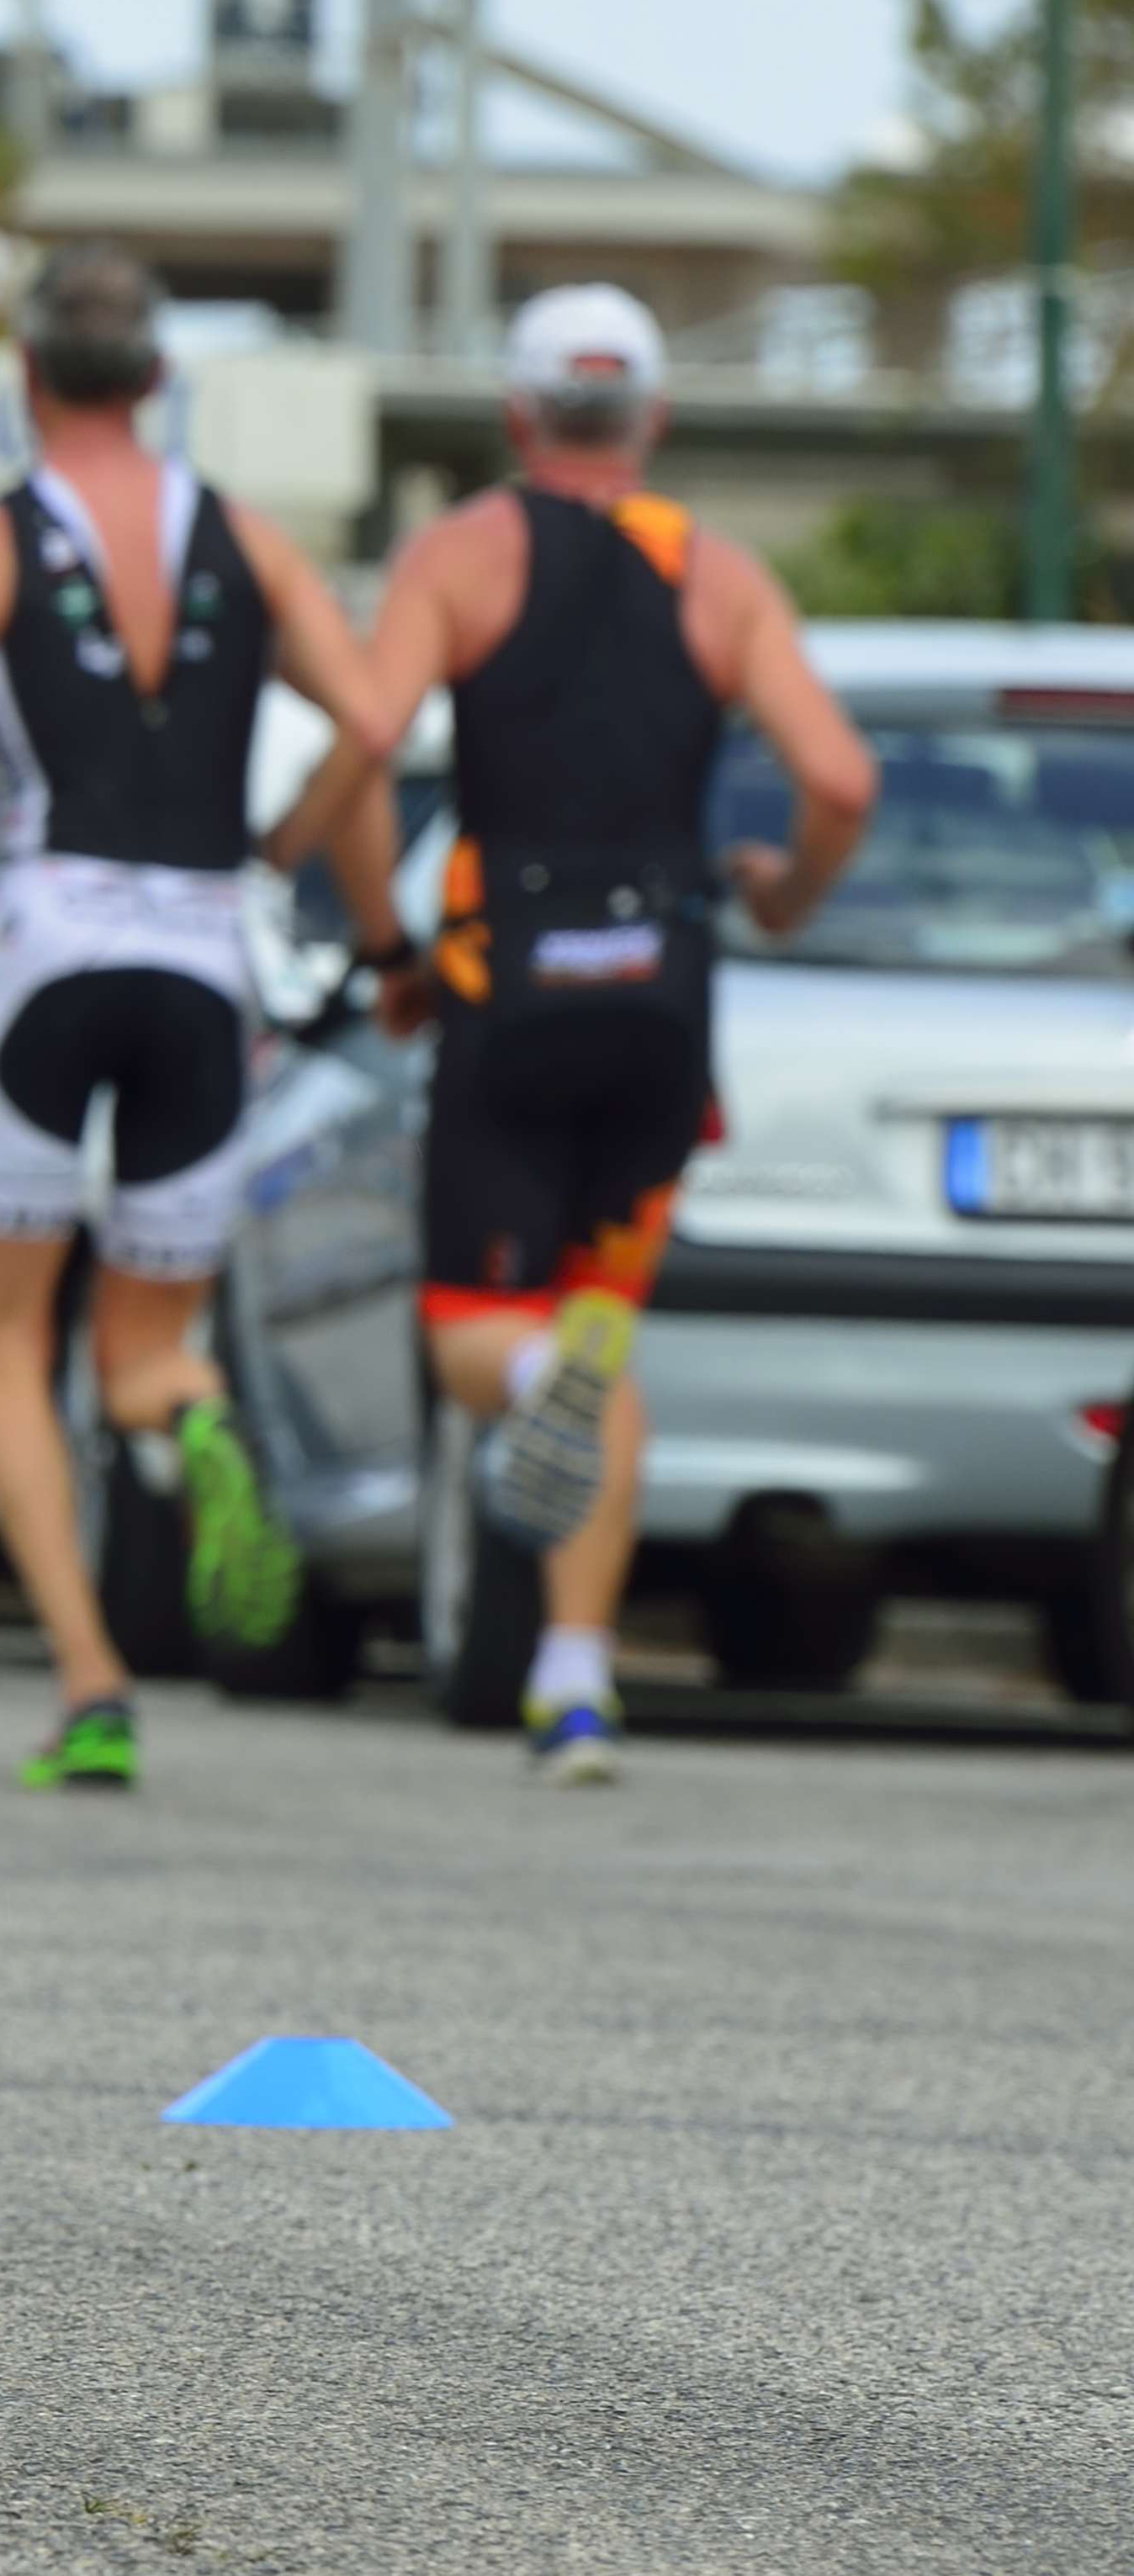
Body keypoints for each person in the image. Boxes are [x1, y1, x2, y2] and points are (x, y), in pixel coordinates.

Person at [284, 283, 876, 1780]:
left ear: (515, 416)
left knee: (487, 1336)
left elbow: (362, 745)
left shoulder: (460, 555)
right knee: (599, 1336)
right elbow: (842, 782)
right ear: (654, 419)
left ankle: (538, 1410)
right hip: (665, 998)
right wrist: (786, 898)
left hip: (512, 991)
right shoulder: (722, 580)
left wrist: (381, 947)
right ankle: (575, 1679)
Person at [0, 241, 397, 1788]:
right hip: (207, 951)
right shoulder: (249, 540)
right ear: (158, 383)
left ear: (24, 378)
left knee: (10, 1346)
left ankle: (88, 1680)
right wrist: (299, 857)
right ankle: (193, 1414)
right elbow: (372, 719)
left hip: (47, 941)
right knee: (146, 1344)